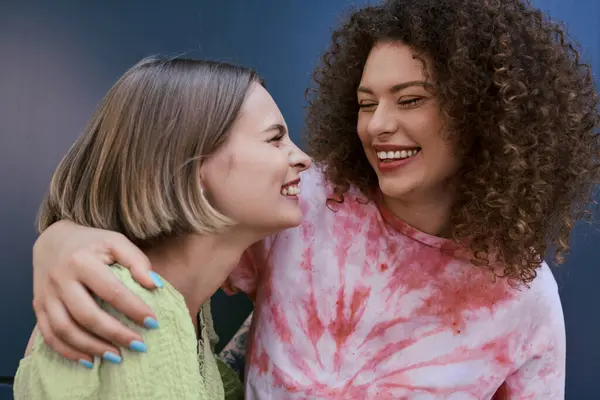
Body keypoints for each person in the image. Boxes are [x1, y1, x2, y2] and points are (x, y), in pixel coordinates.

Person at [30, 0, 600, 398]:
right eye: (366, 102)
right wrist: (61, 238)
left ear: (484, 114)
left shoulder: (525, 303)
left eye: (410, 99)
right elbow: (171, 247)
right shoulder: (307, 202)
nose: (378, 125)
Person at [14, 56, 310, 400]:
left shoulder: (189, 314)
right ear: (194, 167)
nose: (302, 157)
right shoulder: (129, 308)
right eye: (275, 139)